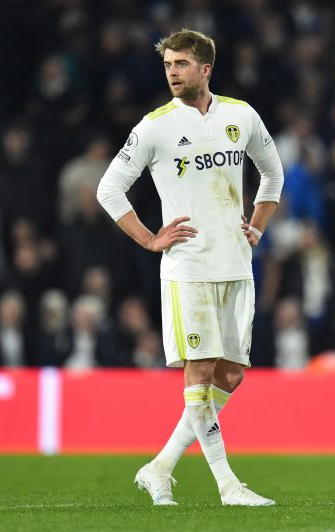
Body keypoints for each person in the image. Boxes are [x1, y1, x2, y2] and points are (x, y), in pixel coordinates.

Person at [96, 29, 283, 507]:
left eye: (181, 64)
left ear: (206, 68)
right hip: (189, 268)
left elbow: (272, 173)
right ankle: (228, 485)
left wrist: (258, 226)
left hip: (236, 264)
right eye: (167, 65)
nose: (172, 73)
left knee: (231, 375)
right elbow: (109, 189)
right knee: (198, 374)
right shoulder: (154, 126)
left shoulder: (241, 116)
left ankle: (159, 468)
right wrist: (150, 239)